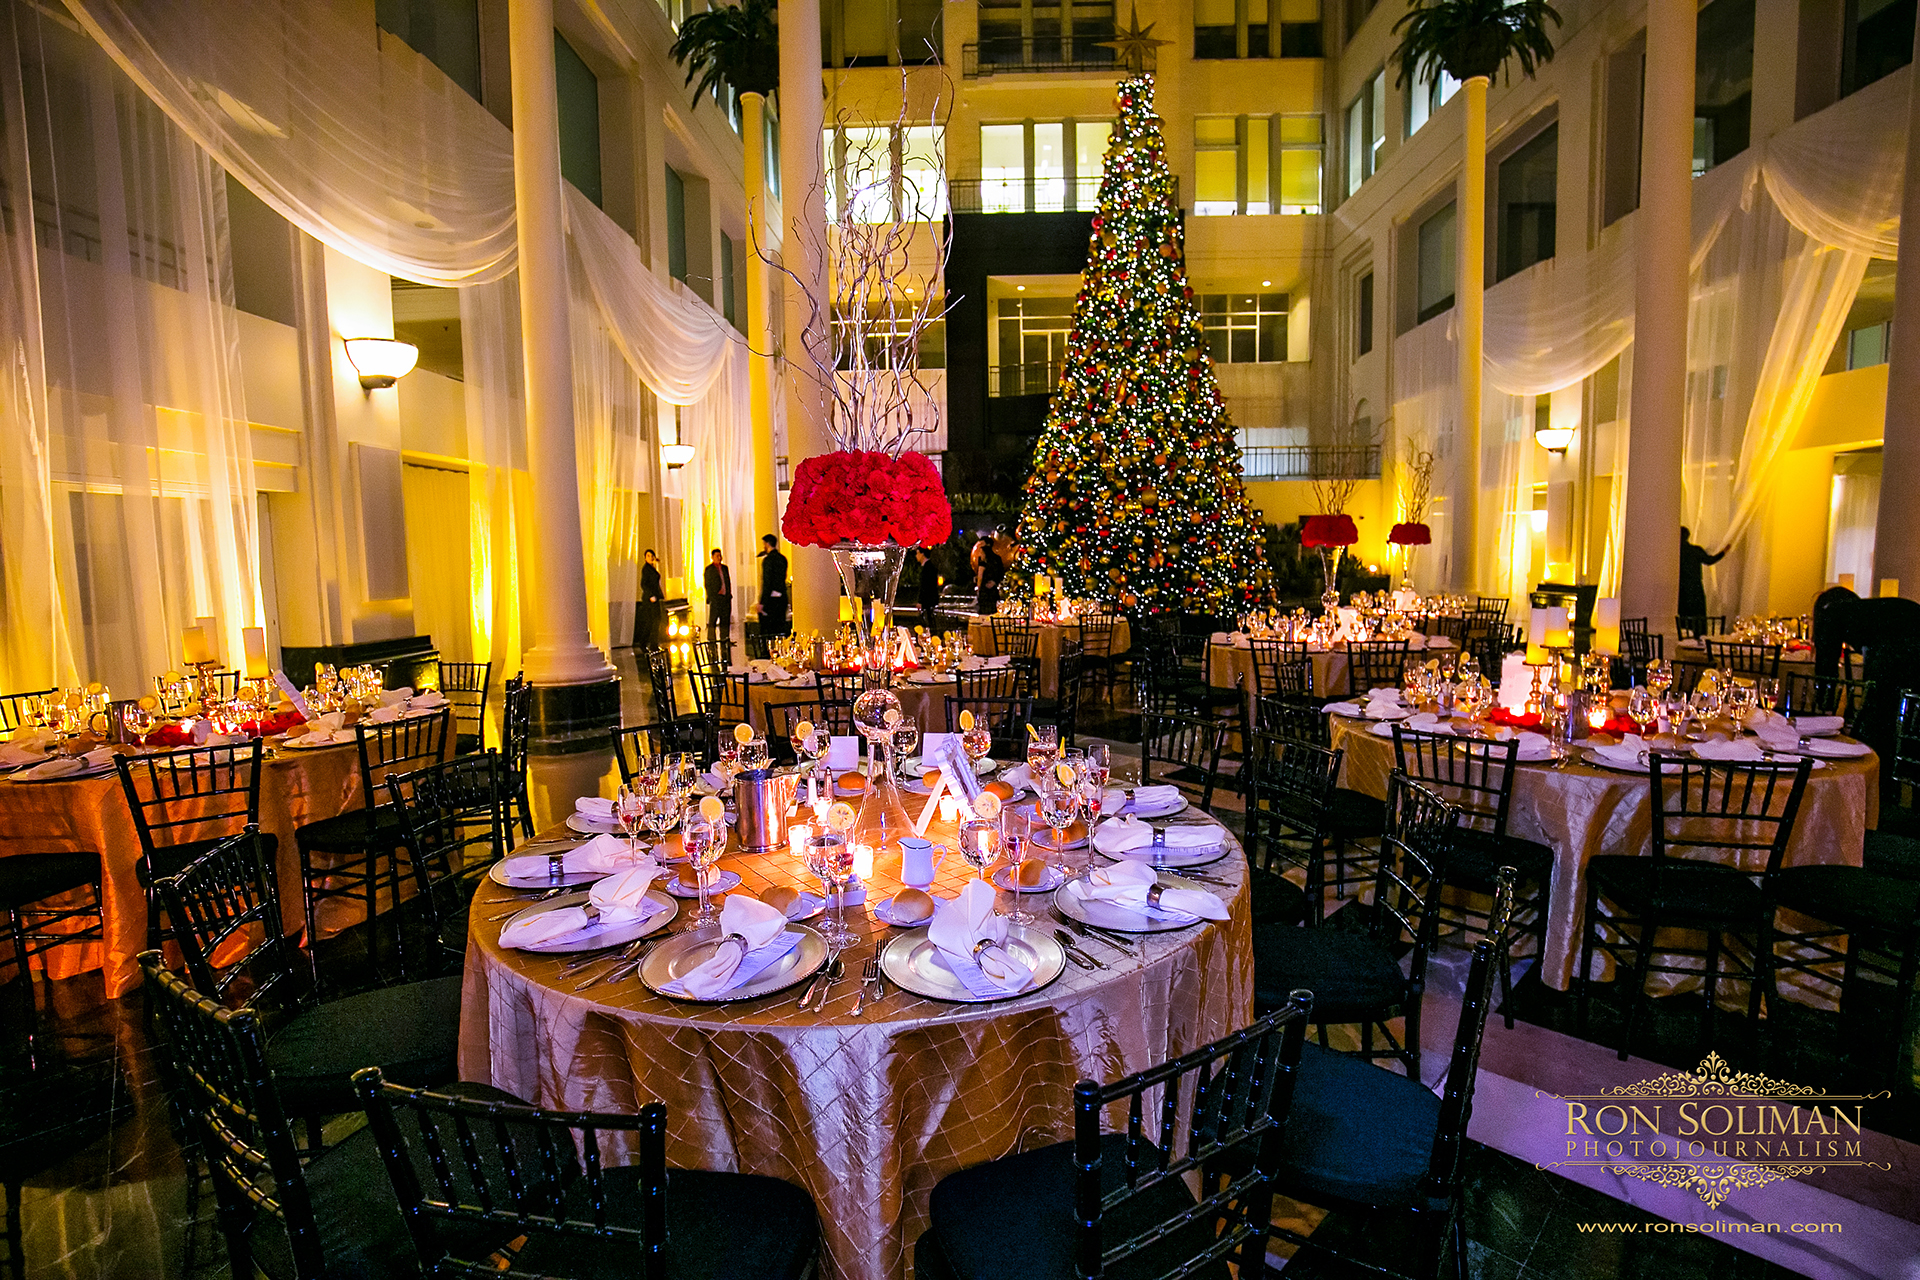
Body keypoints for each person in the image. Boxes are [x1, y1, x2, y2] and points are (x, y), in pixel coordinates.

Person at [1678, 527, 1726, 626]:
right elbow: (1709, 560)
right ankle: (1698, 634)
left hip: (1680, 587)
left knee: (1683, 613)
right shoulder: (1695, 550)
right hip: (1695, 586)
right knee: (1696, 613)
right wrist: (1724, 551)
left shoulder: (1673, 552)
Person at [758, 534, 790, 638]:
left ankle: (770, 650)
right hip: (782, 596)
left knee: (769, 629)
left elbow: (767, 582)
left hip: (771, 601)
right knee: (780, 625)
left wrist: (762, 602)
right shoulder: (783, 559)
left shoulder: (768, 560)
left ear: (767, 544)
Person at [635, 550, 666, 650]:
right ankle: (648, 643)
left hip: (654, 597)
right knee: (653, 621)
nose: (651, 557)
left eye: (652, 555)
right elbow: (644, 584)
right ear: (645, 558)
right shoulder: (646, 569)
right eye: (648, 556)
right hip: (650, 599)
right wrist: (650, 595)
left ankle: (650, 643)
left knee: (655, 621)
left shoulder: (651, 568)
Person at [704, 548, 732, 643]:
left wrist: (728, 594)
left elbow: (727, 582)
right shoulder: (709, 569)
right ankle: (711, 639)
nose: (719, 558)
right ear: (712, 557)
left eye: (720, 556)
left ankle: (725, 638)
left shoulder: (725, 568)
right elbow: (708, 584)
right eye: (717, 556)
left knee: (725, 619)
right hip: (716, 598)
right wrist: (712, 597)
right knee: (713, 619)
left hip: (725, 598)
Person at [974, 534, 1005, 615]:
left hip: (989, 592)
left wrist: (979, 585)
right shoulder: (987, 560)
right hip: (988, 591)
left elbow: (981, 575)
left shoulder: (991, 560)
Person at [915, 545, 943, 630]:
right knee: (930, 621)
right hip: (930, 600)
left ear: (922, 554)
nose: (916, 556)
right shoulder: (930, 566)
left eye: (917, 553)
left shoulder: (928, 568)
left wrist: (920, 601)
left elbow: (925, 586)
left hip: (928, 601)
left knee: (929, 622)